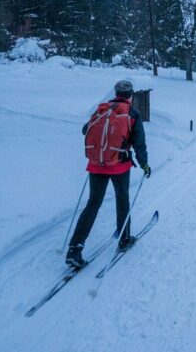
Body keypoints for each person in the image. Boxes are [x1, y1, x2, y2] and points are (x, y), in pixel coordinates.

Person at [66, 80, 151, 268]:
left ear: (116, 92)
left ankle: (75, 248)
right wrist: (144, 165)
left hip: (96, 164)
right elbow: (139, 143)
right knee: (122, 199)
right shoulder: (132, 113)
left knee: (93, 204)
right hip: (119, 165)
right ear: (131, 95)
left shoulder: (102, 109)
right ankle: (124, 238)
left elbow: (84, 130)